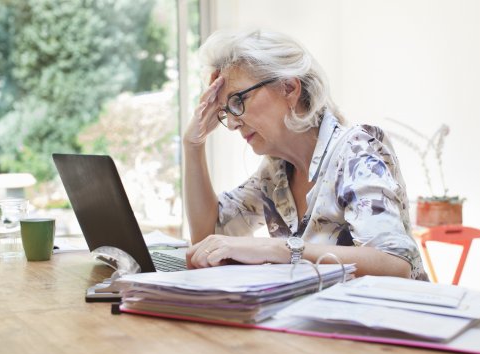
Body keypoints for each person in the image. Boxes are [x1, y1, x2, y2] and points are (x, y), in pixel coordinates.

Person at [183, 29, 427, 280]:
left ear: (289, 88)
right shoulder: (275, 174)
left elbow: (395, 264)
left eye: (237, 101)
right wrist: (193, 145)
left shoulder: (355, 150)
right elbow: (206, 240)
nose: (233, 123)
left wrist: (277, 249)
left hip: (391, 317)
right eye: (225, 111)